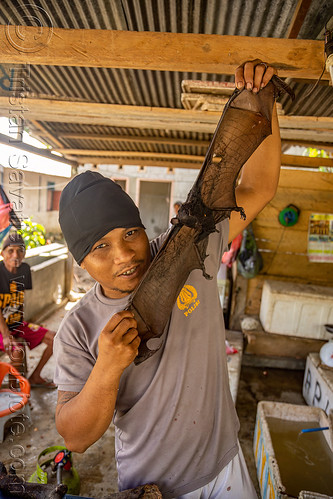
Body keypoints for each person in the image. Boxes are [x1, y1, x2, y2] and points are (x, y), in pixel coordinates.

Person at [54, 59, 280, 498]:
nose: (124, 256)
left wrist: (264, 100)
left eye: (131, 233)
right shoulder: (78, 329)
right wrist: (107, 369)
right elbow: (75, 437)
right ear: (80, 261)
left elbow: (260, 188)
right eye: (100, 247)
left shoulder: (186, 248)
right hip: (156, 488)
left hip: (227, 463)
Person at [0, 232, 56, 387]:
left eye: (20, 251)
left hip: (17, 324)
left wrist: (26, 323)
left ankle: (35, 377)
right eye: (10, 251)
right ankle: (14, 389)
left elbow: (20, 298)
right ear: (2, 253)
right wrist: (6, 335)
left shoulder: (24, 269)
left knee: (54, 339)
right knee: (17, 352)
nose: (15, 255)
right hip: (1, 328)